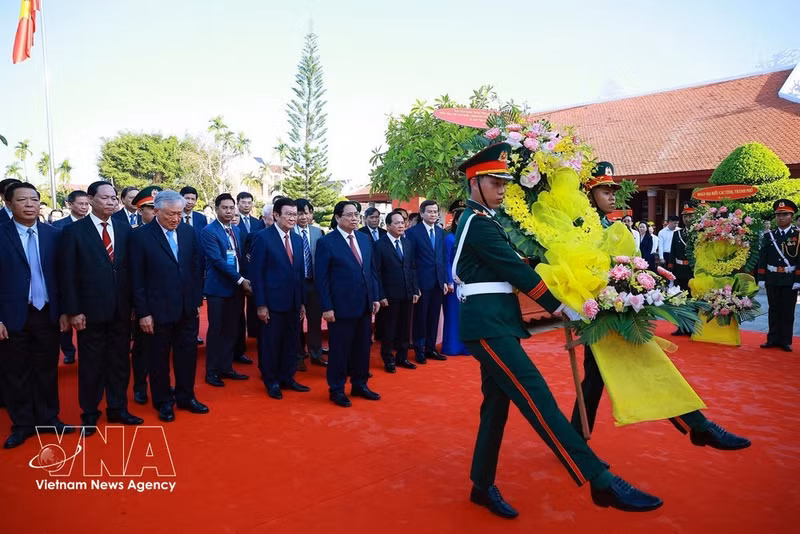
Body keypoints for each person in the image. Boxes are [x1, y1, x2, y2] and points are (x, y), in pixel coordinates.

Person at [453, 145, 665, 517]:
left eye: (505, 182)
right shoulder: (477, 223)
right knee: (537, 398)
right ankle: (599, 480)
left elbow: (524, 264)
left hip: (498, 321)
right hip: (486, 325)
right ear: (475, 183)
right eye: (494, 182)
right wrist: (561, 306)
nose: (502, 189)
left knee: (496, 408)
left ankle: (481, 485)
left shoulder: (488, 220)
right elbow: (517, 272)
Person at [572, 165, 750, 456]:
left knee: (596, 377)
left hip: (620, 307)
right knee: (644, 364)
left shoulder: (615, 227)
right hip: (600, 311)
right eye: (605, 191)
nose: (613, 197)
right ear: (589, 195)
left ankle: (574, 438)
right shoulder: (581, 227)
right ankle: (698, 425)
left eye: (614, 191)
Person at [60, 180, 143, 432]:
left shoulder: (125, 229)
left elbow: (132, 271)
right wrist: (73, 310)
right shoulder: (74, 232)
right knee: (91, 364)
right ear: (91, 199)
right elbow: (68, 274)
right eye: (105, 197)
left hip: (120, 309)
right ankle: (90, 411)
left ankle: (118, 408)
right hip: (89, 312)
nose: (111, 202)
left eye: (113, 198)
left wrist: (133, 305)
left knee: (119, 361)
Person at [0, 182, 73, 448]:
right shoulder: (1, 234)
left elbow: (64, 277)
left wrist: (66, 310)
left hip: (47, 313)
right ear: (8, 204)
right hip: (12, 315)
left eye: (34, 199)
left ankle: (48, 418)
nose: (30, 204)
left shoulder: (54, 234)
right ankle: (22, 424)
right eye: (22, 200)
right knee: (16, 372)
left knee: (46, 369)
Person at [129, 191, 208, 422]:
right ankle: (163, 401)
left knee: (187, 355)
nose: (176, 218)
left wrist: (195, 302)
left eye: (180, 213)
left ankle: (186, 396)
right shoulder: (141, 237)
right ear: (156, 211)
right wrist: (143, 313)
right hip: (156, 310)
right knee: (158, 358)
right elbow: (137, 278)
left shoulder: (188, 232)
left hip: (186, 308)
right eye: (171, 214)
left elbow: (195, 269)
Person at [315, 201, 381, 407]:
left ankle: (360, 384)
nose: (354, 218)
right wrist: (326, 307)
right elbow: (322, 278)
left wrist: (375, 297)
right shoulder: (327, 242)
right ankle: (336, 388)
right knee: (339, 350)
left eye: (356, 215)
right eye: (350, 215)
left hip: (364, 304)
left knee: (362, 348)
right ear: (337, 218)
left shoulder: (363, 239)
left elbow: (371, 271)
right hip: (340, 307)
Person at [250, 197, 310, 399]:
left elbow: (299, 273)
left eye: (296, 214)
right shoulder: (263, 238)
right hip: (272, 303)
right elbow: (257, 274)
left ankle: (288, 377)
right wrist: (261, 305)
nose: (294, 218)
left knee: (291, 342)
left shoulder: (298, 239)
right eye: (289, 214)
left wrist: (301, 302)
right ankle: (272, 381)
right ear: (276, 215)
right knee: (271, 343)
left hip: (293, 302)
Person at [200, 194, 251, 387]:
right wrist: (241, 280)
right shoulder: (209, 231)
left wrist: (245, 279)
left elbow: (239, 258)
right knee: (216, 331)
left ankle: (226, 367)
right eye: (225, 208)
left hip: (236, 289)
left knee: (232, 330)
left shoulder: (236, 230)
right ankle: (211, 371)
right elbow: (217, 260)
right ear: (216, 209)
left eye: (231, 208)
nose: (229, 212)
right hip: (218, 289)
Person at [128, 186, 162, 405]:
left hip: (167, 302)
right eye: (151, 208)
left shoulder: (174, 233)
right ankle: (140, 386)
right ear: (141, 211)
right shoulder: (133, 236)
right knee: (141, 348)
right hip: (143, 303)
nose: (156, 212)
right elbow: (132, 275)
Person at [405, 200, 451, 363]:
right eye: (430, 212)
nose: (433, 214)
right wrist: (414, 286)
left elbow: (442, 258)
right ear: (422, 213)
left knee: (433, 318)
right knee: (420, 318)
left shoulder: (440, 232)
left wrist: (445, 280)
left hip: (438, 283)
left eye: (435, 212)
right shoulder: (412, 233)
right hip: (421, 283)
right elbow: (410, 262)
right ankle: (419, 350)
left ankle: (431, 348)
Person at [374, 210, 420, 373]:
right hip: (389, 295)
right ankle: (388, 359)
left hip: (407, 292)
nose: (401, 225)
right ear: (387, 226)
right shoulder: (379, 245)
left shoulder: (407, 243)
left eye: (403, 222)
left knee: (405, 328)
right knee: (389, 329)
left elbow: (412, 268)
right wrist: (381, 295)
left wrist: (415, 289)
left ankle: (403, 357)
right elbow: (377, 272)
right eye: (397, 223)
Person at [52, 189, 90, 364]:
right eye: (80, 204)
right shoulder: (58, 226)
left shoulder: (92, 224)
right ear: (69, 204)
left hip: (88, 283)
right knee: (66, 316)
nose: (84, 207)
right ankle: (68, 350)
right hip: (66, 278)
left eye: (86, 203)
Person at [757, 199, 800, 352]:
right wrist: (761, 278)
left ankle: (785, 340)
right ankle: (772, 338)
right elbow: (763, 258)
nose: (780, 218)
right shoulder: (770, 236)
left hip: (789, 279)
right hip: (772, 278)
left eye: (784, 215)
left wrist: (798, 279)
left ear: (791, 216)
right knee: (773, 309)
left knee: (787, 311)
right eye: (778, 215)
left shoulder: (797, 236)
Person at [294, 198, 327, 370]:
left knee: (315, 321)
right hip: (296, 284)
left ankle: (316, 354)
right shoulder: (289, 232)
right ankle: (298, 356)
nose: (303, 216)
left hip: (314, 283)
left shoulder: (318, 232)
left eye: (306, 212)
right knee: (296, 320)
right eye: (300, 213)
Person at [235, 192, 264, 365]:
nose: (246, 205)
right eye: (243, 202)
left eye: (249, 202)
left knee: (256, 306)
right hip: (238, 270)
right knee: (238, 312)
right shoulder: (233, 220)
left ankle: (255, 334)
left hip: (254, 269)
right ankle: (238, 347)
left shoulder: (257, 223)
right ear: (238, 203)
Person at [180, 186, 208, 346]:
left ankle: (195, 333)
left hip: (196, 265)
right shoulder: (174, 216)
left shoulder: (200, 218)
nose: (190, 201)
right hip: (179, 263)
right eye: (187, 198)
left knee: (195, 301)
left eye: (193, 199)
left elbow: (202, 243)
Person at [442, 199, 470, 356]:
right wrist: (449, 281)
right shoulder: (449, 238)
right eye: (461, 217)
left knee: (466, 315)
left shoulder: (468, 236)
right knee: (453, 315)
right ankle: (452, 346)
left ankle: (467, 347)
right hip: (455, 282)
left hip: (468, 281)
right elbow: (445, 260)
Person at [667, 201, 697, 335]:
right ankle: (681, 326)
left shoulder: (699, 233)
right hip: (679, 271)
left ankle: (693, 326)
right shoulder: (677, 234)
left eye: (690, 216)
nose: (687, 219)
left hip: (693, 271)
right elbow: (672, 254)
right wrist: (671, 272)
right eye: (685, 216)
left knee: (693, 299)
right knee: (680, 299)